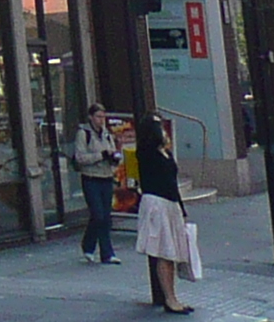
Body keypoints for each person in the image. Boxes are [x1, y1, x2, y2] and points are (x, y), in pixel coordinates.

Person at [135, 112, 194, 315]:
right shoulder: (147, 152)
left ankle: (173, 297)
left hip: (170, 204)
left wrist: (181, 208)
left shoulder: (164, 152)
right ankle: (169, 298)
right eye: (158, 127)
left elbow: (172, 182)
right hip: (157, 204)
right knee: (164, 253)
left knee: (172, 253)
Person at [68, 103, 123, 266]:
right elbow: (80, 157)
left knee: (104, 216)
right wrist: (101, 155)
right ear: (91, 117)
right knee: (98, 214)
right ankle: (106, 252)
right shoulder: (83, 133)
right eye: (98, 117)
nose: (101, 120)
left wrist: (114, 159)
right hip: (91, 178)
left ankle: (90, 246)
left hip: (106, 177)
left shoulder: (106, 134)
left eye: (103, 117)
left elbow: (112, 151)